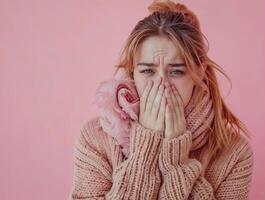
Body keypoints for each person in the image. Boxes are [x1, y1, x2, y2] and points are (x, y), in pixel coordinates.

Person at [68, 0, 254, 199]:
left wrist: (176, 161)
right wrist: (145, 150)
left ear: (199, 73)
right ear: (132, 73)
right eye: (148, 70)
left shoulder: (234, 153)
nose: (162, 84)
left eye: (176, 72)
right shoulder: (95, 139)